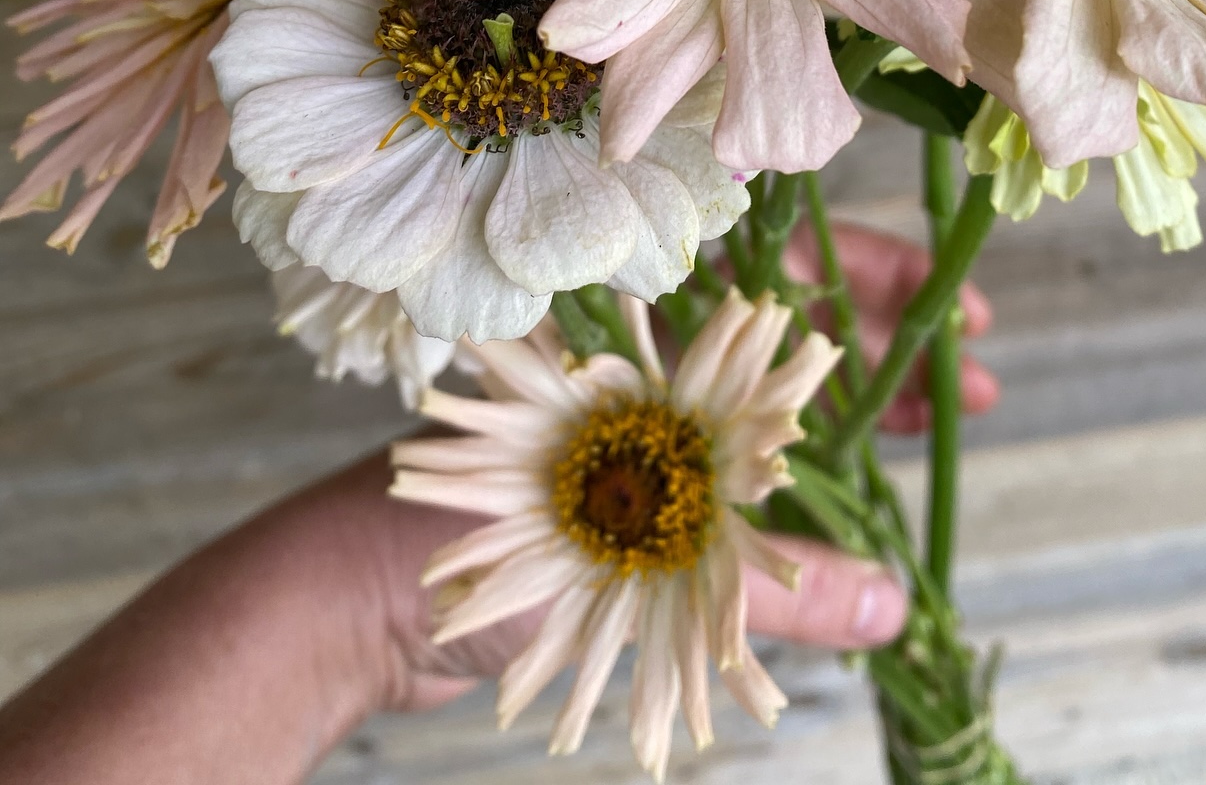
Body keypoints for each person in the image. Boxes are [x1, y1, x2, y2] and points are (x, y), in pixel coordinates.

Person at [0, 225, 998, 785]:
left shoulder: (633, 471)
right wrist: (372, 606)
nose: (622, 495)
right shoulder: (617, 500)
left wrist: (373, 607)